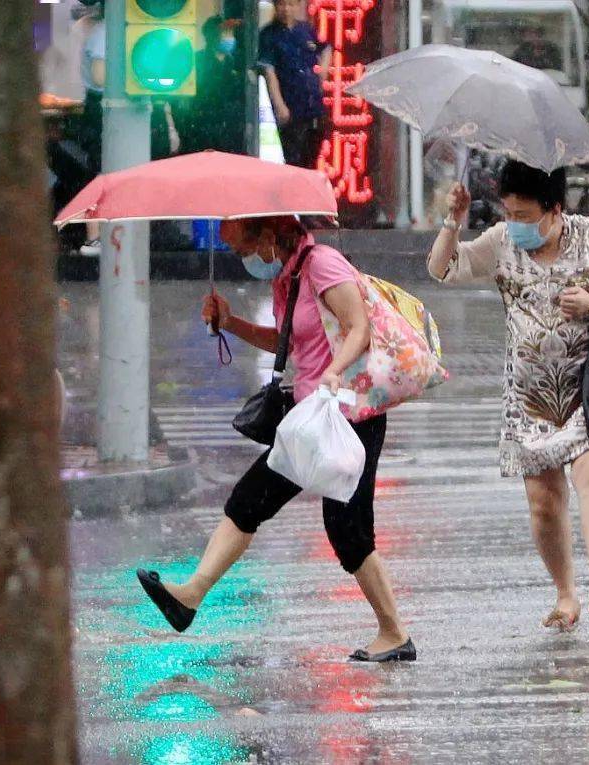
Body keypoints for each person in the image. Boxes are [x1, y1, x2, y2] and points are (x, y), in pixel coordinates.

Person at [137, 215, 415, 663]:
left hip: (349, 417)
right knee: (249, 500)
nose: (241, 260)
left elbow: (358, 326)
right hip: (309, 417)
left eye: (241, 250)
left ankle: (395, 632)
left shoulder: (323, 263)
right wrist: (231, 322)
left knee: (347, 528)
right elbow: (289, 342)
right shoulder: (289, 274)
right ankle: (189, 595)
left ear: (266, 238)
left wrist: (334, 369)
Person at [427, 161, 589, 633]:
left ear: (555, 209)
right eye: (509, 212)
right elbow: (443, 269)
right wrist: (453, 221)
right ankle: (566, 595)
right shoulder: (501, 242)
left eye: (526, 214)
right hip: (529, 397)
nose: (516, 223)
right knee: (544, 501)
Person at [257, 0, 331, 168]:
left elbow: (326, 48)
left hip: (313, 106)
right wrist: (279, 105)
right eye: (282, 5)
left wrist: (323, 73)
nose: (286, 9)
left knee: (312, 158)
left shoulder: (306, 30)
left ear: (298, 6)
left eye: (291, 4)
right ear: (276, 7)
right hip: (290, 106)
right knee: (293, 160)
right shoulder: (269, 35)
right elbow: (270, 72)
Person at [176, 15, 243, 154]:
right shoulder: (196, 61)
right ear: (211, 36)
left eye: (231, 33)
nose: (229, 38)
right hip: (200, 128)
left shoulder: (237, 62)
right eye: (225, 33)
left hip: (229, 130)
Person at [77, 0, 106, 255]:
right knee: (99, 172)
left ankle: (101, 234)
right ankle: (94, 236)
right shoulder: (105, 33)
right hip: (103, 108)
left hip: (103, 108)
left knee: (102, 172)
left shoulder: (103, 31)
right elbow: (99, 76)